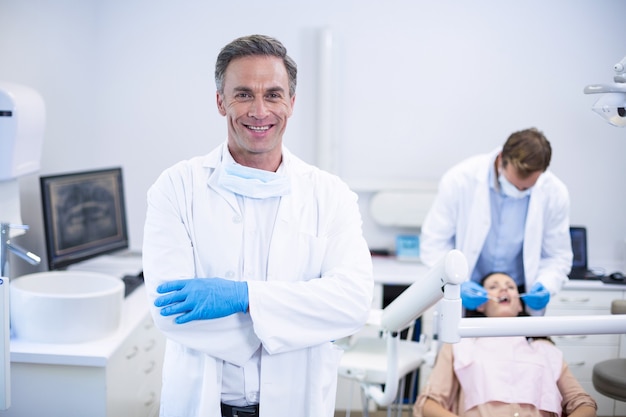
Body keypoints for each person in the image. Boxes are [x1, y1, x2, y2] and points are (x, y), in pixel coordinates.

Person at [142, 34, 374, 417]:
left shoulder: (330, 195)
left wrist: (246, 297)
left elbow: (352, 303)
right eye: (244, 94)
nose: (260, 110)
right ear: (221, 102)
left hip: (296, 403)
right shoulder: (176, 187)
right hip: (204, 402)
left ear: (292, 103)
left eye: (274, 95)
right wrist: (291, 320)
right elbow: (169, 311)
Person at [420, 128, 573, 313]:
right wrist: (457, 283)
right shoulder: (459, 180)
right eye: (514, 184)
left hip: (520, 293)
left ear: (541, 174)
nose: (519, 191)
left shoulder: (554, 193)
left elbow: (557, 256)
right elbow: (433, 244)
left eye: (526, 189)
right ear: (501, 159)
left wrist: (546, 285)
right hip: (466, 291)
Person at [413, 272, 598, 417]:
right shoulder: (460, 345)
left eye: (511, 287)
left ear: (520, 305)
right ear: (480, 304)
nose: (504, 290)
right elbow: (428, 404)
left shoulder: (545, 349)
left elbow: (584, 404)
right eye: (493, 287)